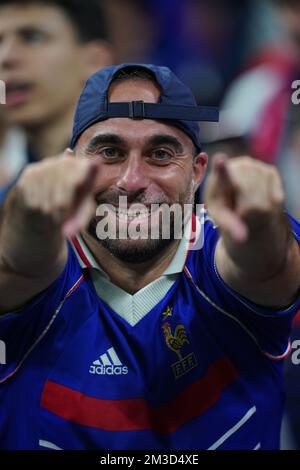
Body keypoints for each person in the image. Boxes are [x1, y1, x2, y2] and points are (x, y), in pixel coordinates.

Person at [0, 63, 300, 450]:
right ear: (69, 166)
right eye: (110, 152)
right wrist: (27, 213)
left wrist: (259, 224)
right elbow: (16, 265)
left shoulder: (219, 247)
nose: (132, 181)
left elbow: (268, 266)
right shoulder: (44, 265)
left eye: (160, 154)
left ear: (198, 172)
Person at [0, 0, 113, 204]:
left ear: (94, 61)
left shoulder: (147, 183)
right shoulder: (8, 206)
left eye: (32, 38)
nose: (5, 57)